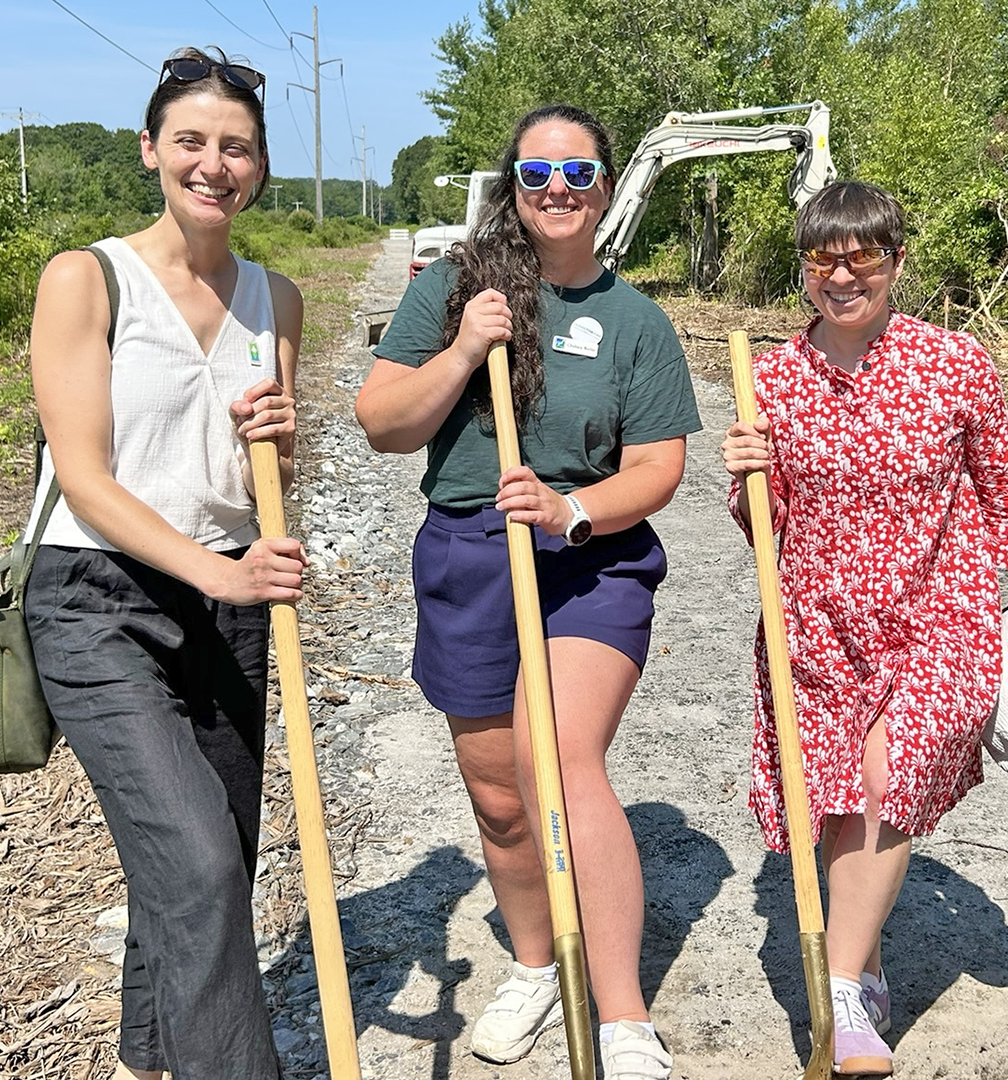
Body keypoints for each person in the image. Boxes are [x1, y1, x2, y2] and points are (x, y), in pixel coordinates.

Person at [355, 104, 700, 1079]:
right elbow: (381, 421)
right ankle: (537, 967)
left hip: (588, 558)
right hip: (470, 550)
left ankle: (625, 1016)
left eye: (578, 175)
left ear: (607, 187)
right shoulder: (453, 287)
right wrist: (465, 350)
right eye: (538, 175)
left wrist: (571, 511)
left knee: (562, 759)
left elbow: (658, 468)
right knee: (502, 801)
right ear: (514, 184)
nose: (558, 191)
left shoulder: (635, 322)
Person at [721, 181, 1008, 1077]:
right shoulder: (773, 377)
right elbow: (765, 523)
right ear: (804, 271)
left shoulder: (956, 364)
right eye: (824, 258)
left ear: (896, 262)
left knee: (886, 774)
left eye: (863, 255)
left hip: (943, 613)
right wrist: (748, 471)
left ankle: (839, 1000)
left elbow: (1005, 494)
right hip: (817, 621)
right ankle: (863, 973)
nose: (843, 274)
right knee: (835, 805)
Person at [21, 46, 305, 1080]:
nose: (213, 163)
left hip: (225, 604)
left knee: (203, 859)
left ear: (260, 167)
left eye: (236, 147)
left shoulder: (276, 298)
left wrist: (280, 432)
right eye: (191, 141)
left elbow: (256, 471)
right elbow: (88, 480)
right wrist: (218, 571)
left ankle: (150, 1058)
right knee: (196, 866)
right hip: (97, 597)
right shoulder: (87, 279)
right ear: (151, 150)